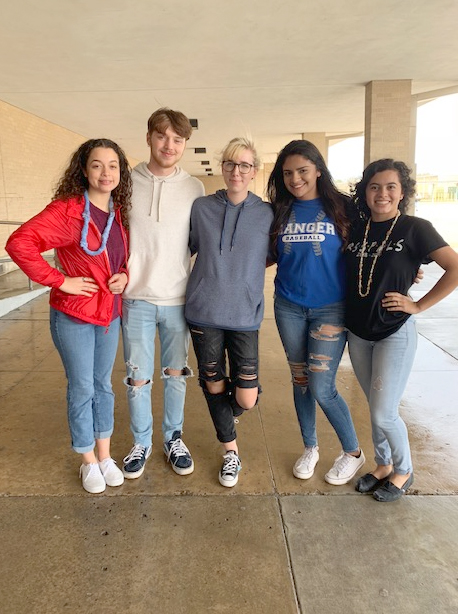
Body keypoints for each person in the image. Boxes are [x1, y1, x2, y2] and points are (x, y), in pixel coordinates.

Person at [5, 139, 131, 494]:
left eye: (113, 166)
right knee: (82, 388)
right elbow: (20, 243)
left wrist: (125, 276)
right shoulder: (68, 211)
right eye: (97, 165)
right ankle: (87, 460)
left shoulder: (119, 213)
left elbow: (119, 259)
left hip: (108, 314)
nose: (106, 173)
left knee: (103, 386)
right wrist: (60, 280)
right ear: (83, 169)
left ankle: (105, 456)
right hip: (74, 315)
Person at [346, 159, 458, 502]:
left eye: (391, 186)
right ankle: (382, 465)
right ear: (365, 192)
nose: (382, 193)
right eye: (375, 186)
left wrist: (418, 305)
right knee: (373, 404)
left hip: (394, 332)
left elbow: (453, 267)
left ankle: (403, 469)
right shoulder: (355, 228)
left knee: (384, 410)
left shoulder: (415, 228)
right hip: (358, 333)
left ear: (402, 192)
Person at [267, 140, 365, 485]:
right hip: (289, 306)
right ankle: (310, 447)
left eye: (303, 171)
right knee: (301, 380)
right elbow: (264, 254)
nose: (295, 179)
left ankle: (352, 452)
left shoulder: (344, 207)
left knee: (323, 386)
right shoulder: (279, 209)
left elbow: (372, 242)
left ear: (318, 170)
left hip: (331, 309)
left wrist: (405, 267)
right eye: (288, 173)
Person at [121, 108, 204, 479]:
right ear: (149, 137)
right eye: (162, 136)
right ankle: (141, 441)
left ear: (184, 144)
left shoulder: (194, 187)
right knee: (138, 378)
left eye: (177, 139)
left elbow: (202, 244)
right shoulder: (125, 182)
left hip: (177, 299)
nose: (169, 145)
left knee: (175, 374)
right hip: (135, 298)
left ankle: (173, 437)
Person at [185, 137, 273, 487]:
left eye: (245, 166)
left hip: (245, 316)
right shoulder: (201, 207)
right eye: (231, 164)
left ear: (254, 171)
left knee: (245, 399)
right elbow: (182, 249)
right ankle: (231, 453)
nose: (236, 172)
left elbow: (284, 253)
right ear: (222, 167)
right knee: (214, 383)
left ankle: (227, 409)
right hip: (203, 311)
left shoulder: (267, 213)